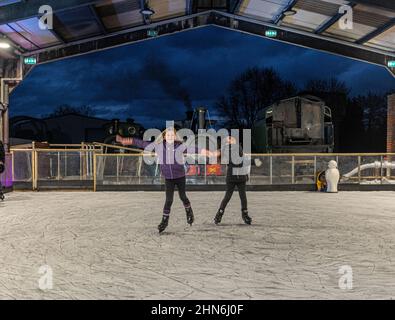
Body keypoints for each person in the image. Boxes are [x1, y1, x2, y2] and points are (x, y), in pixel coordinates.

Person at [116, 128, 211, 233]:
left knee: (183, 196)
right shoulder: (159, 147)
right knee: (169, 200)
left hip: (180, 177)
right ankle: (164, 222)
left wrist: (208, 153)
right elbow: (141, 143)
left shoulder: (179, 146)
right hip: (168, 178)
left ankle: (189, 212)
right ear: (164, 136)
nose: (170, 137)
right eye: (168, 135)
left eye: (172, 135)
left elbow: (194, 149)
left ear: (175, 137)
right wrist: (125, 141)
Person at [213, 135, 252, 225]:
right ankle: (219, 213)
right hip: (231, 177)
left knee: (243, 196)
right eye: (229, 139)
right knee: (227, 197)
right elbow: (221, 159)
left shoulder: (238, 148)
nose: (231, 139)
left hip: (241, 176)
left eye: (232, 138)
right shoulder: (226, 150)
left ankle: (245, 214)